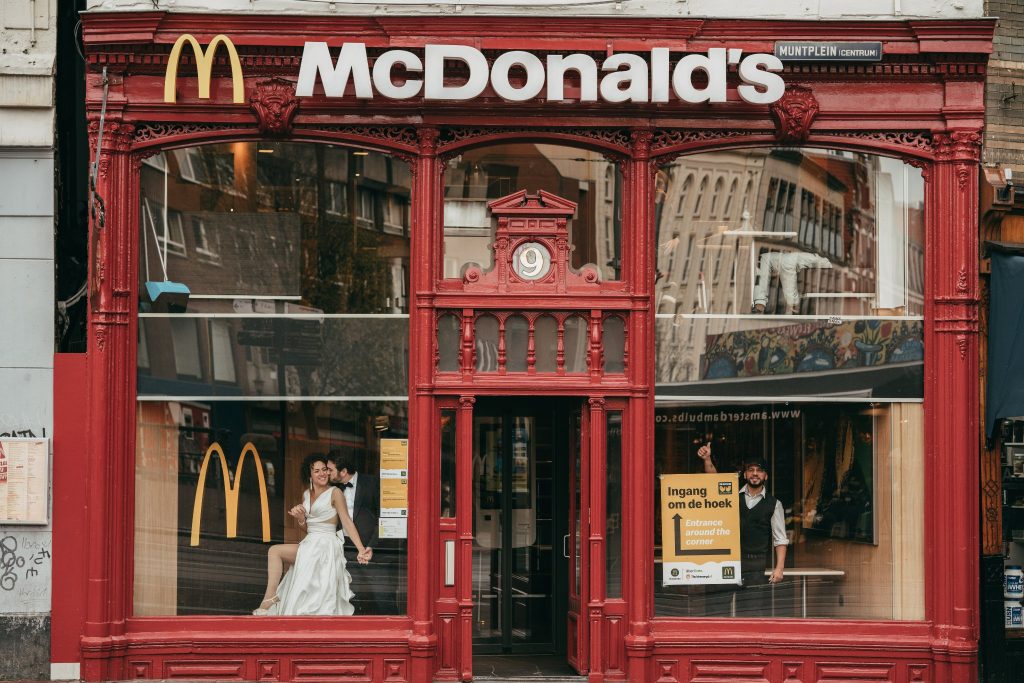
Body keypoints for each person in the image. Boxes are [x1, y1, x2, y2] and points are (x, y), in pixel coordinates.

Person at [253, 454, 372, 616]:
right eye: (317, 471)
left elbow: (347, 522)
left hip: (326, 545)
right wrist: (301, 519)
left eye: (324, 470)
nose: (322, 473)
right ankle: (271, 597)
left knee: (309, 594)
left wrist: (361, 549)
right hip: (310, 543)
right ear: (310, 475)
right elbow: (307, 529)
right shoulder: (306, 495)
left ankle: (278, 604)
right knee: (275, 551)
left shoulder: (335, 493)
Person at [696, 441, 788, 616]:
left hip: (755, 565)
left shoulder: (774, 504)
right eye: (751, 470)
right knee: (717, 611)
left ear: (765, 476)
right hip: (725, 562)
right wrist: (707, 459)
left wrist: (779, 568)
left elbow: (780, 538)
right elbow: (714, 481)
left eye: (759, 470)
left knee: (750, 613)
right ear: (745, 474)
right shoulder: (730, 494)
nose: (755, 474)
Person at [325, 451, 383, 613]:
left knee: (380, 597)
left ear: (343, 472)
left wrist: (372, 546)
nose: (327, 472)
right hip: (342, 549)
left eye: (330, 469)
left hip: (370, 549)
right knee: (348, 596)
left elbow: (383, 516)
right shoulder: (330, 489)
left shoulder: (372, 483)